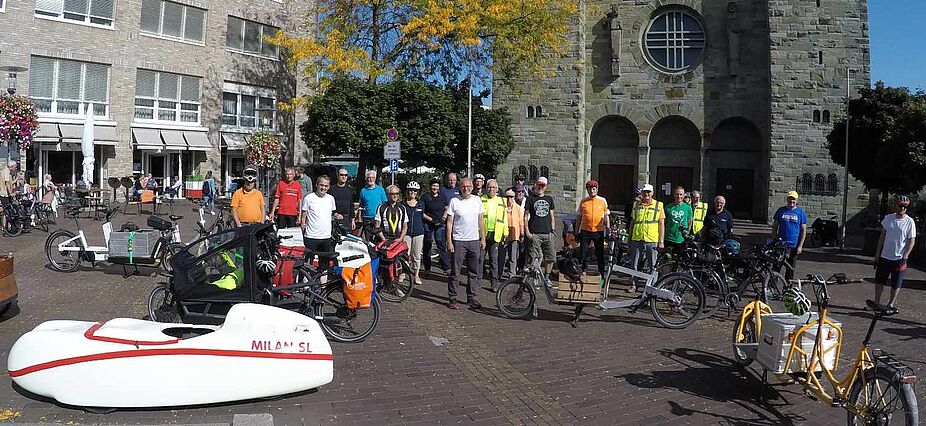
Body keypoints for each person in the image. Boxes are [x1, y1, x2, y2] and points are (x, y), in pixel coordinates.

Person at [445, 177, 485, 309]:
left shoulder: (477, 200)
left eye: (468, 186)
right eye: (463, 186)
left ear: (472, 187)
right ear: (459, 187)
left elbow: (481, 221)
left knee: (473, 271)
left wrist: (482, 238)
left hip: (473, 240)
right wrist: (449, 241)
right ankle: (453, 298)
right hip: (458, 241)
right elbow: (449, 223)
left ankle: (472, 297)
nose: (466, 188)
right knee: (455, 272)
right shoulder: (454, 201)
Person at [872, 195, 916, 308]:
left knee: (896, 284)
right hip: (885, 256)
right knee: (879, 281)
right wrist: (877, 254)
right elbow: (882, 236)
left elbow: (912, 240)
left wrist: (905, 256)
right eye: (900, 206)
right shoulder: (888, 218)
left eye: (905, 207)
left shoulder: (909, 222)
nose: (902, 209)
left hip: (899, 258)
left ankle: (891, 304)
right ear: (896, 206)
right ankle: (876, 302)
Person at [627, 184, 664, 293]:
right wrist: (629, 237)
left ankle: (652, 287)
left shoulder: (659, 205)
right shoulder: (636, 205)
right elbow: (632, 222)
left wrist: (661, 241)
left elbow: (661, 223)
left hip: (651, 239)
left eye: (649, 192)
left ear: (652, 193)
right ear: (641, 193)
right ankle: (633, 285)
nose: (646, 194)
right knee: (634, 263)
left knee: (653, 265)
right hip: (637, 238)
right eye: (644, 192)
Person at [575, 179, 610, 276]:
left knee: (600, 254)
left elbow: (606, 216)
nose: (592, 191)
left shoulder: (602, 201)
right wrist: (576, 232)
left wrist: (608, 230)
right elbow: (579, 217)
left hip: (598, 232)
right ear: (587, 190)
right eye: (590, 189)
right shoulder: (583, 201)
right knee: (583, 253)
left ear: (597, 189)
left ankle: (601, 273)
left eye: (594, 189)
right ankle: (582, 271)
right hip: (585, 231)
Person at [524, 177, 556, 278]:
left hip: (547, 233)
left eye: (542, 186)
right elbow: (525, 216)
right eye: (539, 185)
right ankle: (534, 277)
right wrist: (527, 232)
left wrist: (553, 230)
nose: (540, 188)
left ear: (546, 187)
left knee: (551, 257)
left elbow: (552, 216)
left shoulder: (549, 199)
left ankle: (547, 277)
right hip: (535, 233)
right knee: (534, 257)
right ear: (535, 185)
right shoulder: (530, 199)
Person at [480, 179, 508, 291]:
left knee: (493, 260)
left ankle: (494, 282)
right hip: (482, 234)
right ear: (486, 188)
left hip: (496, 234)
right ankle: (477, 281)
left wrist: (505, 233)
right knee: (480, 259)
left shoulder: (502, 200)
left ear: (497, 189)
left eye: (493, 187)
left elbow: (504, 218)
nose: (491, 189)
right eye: (489, 187)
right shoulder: (481, 199)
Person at [771, 191, 807, 280]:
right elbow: (775, 227)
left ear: (797, 200)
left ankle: (787, 288)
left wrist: (800, 246)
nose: (792, 201)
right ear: (787, 199)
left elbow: (803, 231)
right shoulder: (781, 211)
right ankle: (771, 287)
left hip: (793, 246)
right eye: (790, 199)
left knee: (790, 269)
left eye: (793, 199)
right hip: (780, 245)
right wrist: (774, 240)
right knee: (776, 267)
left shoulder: (800, 213)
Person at [300, 175, 339, 252]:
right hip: (311, 236)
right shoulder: (309, 198)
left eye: (326, 186)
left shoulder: (330, 198)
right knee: (308, 262)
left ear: (328, 187)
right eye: (321, 185)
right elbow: (304, 213)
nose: (323, 188)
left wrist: (337, 215)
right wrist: (302, 224)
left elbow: (332, 213)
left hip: (326, 236)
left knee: (325, 262)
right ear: (316, 185)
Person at [422, 177, 450, 275]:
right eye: (433, 186)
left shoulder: (442, 196)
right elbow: (421, 212)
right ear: (430, 186)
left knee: (441, 244)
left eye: (437, 186)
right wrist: (431, 220)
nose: (435, 188)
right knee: (427, 245)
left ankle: (446, 267)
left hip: (440, 224)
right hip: (428, 223)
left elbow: (447, 208)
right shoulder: (425, 196)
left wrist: (443, 218)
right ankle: (427, 268)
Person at [402, 181, 426, 285]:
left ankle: (416, 275)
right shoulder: (402, 204)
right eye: (411, 190)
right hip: (406, 233)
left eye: (415, 191)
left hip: (418, 232)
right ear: (407, 191)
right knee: (404, 255)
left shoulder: (421, 204)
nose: (413, 192)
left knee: (416, 255)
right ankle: (402, 274)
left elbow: (423, 216)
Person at [664, 186, 693, 255]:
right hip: (669, 238)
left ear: (683, 195)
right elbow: (664, 222)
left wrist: (687, 233)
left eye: (681, 194)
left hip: (682, 239)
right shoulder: (668, 207)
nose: (679, 196)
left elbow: (690, 222)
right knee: (668, 260)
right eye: (677, 194)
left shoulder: (688, 208)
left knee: (680, 261)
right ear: (674, 195)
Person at [358, 170, 387, 238]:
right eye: (369, 177)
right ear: (366, 178)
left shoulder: (380, 190)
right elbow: (361, 206)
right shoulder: (363, 191)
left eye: (372, 177)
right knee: (368, 241)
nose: (370, 179)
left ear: (375, 178)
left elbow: (385, 204)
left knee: (378, 240)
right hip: (367, 219)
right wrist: (359, 218)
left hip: (378, 219)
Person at [504, 188, 525, 278]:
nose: (509, 199)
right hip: (503, 234)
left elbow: (521, 222)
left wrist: (522, 233)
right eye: (507, 197)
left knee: (513, 256)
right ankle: (499, 272)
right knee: (502, 255)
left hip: (514, 234)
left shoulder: (518, 208)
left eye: (511, 197)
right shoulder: (502, 207)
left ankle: (512, 274)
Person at [0, 161, 15, 233]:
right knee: (7, 211)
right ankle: (5, 227)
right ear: (11, 166)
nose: (15, 168)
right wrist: (11, 193)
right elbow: (7, 183)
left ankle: (6, 226)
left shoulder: (6, 172)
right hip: (5, 195)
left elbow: (10, 183)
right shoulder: (6, 172)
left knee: (7, 211)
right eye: (15, 167)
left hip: (5, 194)